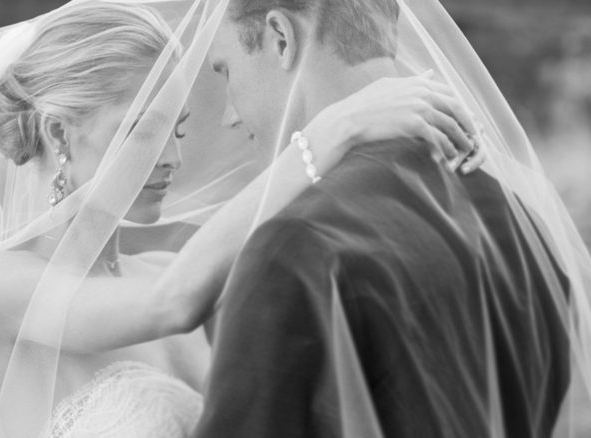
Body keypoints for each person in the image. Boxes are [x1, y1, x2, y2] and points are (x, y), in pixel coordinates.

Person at [0, 1, 484, 437]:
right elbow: (170, 304)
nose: (169, 158)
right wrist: (333, 130)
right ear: (61, 131)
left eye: (178, 131)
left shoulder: (175, 265)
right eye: (143, 131)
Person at [192, 0, 589, 437]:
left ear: (281, 38)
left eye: (226, 71)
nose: (230, 116)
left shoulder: (293, 245)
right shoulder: (520, 218)